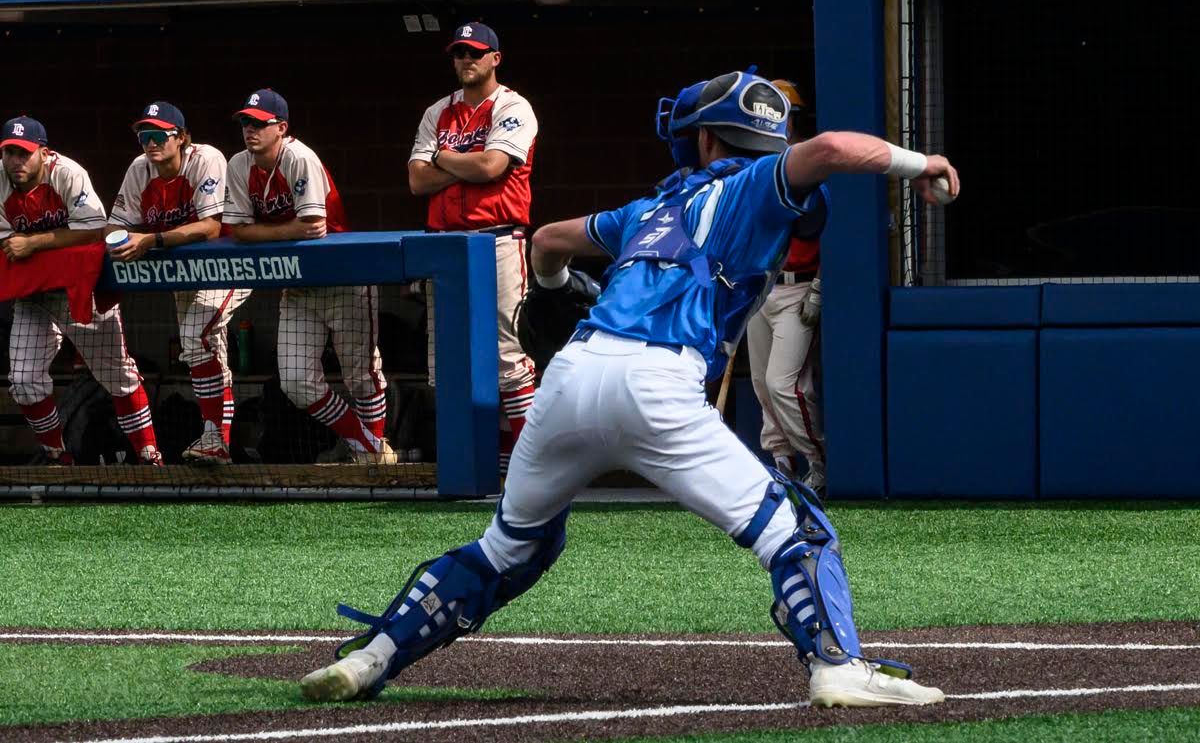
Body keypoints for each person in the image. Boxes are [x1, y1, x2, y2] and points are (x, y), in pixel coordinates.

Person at [301, 71, 959, 708]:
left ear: (705, 138)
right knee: (796, 535)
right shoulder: (757, 184)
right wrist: (921, 162)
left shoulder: (649, 207)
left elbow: (548, 241)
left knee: (506, 549)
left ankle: (372, 655)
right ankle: (837, 666)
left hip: (571, 376)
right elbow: (832, 148)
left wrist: (556, 289)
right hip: (659, 385)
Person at [223, 89, 394, 464]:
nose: (250, 130)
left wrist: (264, 232)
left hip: (343, 277)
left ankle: (369, 457)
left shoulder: (299, 158)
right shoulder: (238, 165)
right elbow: (238, 230)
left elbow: (314, 226)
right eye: (245, 122)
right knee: (296, 381)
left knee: (361, 375)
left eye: (259, 123)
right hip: (299, 285)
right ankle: (368, 446)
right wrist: (287, 230)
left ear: (281, 128)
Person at [408, 22, 538, 475]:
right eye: (459, 53)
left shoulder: (513, 106)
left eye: (475, 53)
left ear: (495, 59)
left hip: (497, 239)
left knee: (507, 355)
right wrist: (466, 163)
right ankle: (479, 459)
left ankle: (530, 460)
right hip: (445, 246)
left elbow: (491, 167)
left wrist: (443, 158)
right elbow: (417, 180)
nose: (466, 59)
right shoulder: (437, 112)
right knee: (447, 359)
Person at [0, 116, 163, 466]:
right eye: (9, 152)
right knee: (23, 380)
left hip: (79, 290)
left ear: (44, 153)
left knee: (116, 375)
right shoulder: (0, 180)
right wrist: (44, 248)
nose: (15, 160)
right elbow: (8, 246)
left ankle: (149, 455)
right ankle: (58, 456)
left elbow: (94, 230)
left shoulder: (68, 173)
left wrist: (35, 243)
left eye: (24, 153)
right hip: (34, 296)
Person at [105, 101, 243, 465]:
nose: (150, 143)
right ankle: (218, 444)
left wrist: (151, 240)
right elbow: (114, 224)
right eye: (143, 136)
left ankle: (215, 438)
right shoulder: (140, 168)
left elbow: (211, 227)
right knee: (204, 349)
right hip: (185, 273)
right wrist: (121, 240)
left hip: (226, 264)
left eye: (159, 135)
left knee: (196, 338)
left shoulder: (206, 159)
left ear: (181, 137)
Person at [746, 79, 826, 497]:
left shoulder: (809, 163)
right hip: (762, 287)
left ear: (793, 118)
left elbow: (832, 231)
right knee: (761, 384)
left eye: (782, 116)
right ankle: (781, 462)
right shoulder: (752, 168)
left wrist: (821, 286)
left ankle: (819, 464)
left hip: (799, 288)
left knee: (785, 384)